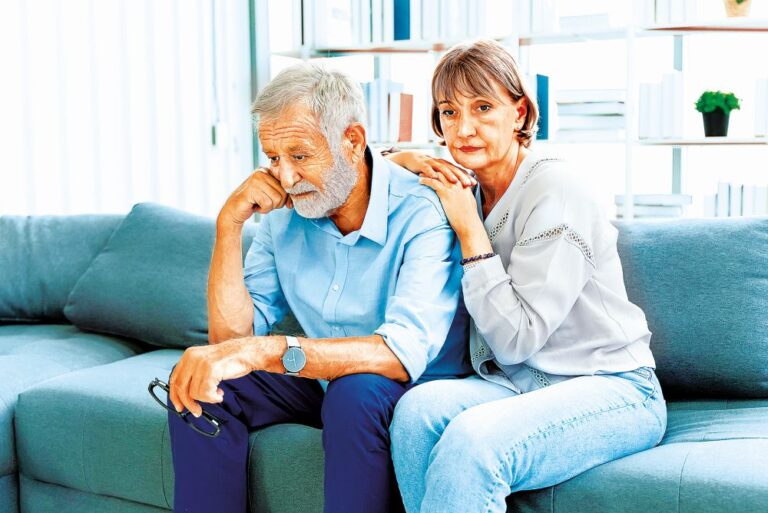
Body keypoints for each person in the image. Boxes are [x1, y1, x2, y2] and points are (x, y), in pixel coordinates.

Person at [164, 62, 471, 513]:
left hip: (408, 384)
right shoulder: (283, 214)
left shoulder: (422, 211)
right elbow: (230, 341)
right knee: (201, 380)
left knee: (354, 393)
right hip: (321, 377)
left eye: (300, 156)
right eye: (273, 158)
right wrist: (229, 224)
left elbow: (399, 353)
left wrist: (267, 351)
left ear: (353, 141)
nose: (286, 178)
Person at [386, 39, 667, 513]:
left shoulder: (557, 189)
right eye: (449, 112)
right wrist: (406, 159)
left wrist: (469, 229)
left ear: (519, 112)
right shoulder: (468, 185)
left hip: (613, 387)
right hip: (516, 384)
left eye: (482, 107)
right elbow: (361, 173)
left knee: (474, 441)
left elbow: (517, 340)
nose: (464, 129)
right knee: (416, 412)